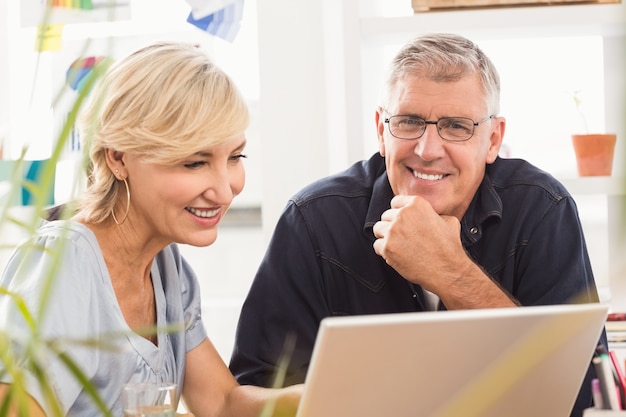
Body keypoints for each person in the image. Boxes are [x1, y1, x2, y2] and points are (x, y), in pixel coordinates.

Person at [228, 33, 606, 417]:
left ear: (493, 139)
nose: (427, 150)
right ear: (380, 129)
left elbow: (584, 396)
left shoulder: (542, 209)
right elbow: (249, 395)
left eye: (456, 126)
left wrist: (450, 271)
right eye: (409, 122)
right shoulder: (312, 220)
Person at [0, 42, 301, 417]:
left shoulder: (167, 265)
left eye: (235, 157)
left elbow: (221, 402)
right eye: (194, 163)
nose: (225, 190)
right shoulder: (64, 263)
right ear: (118, 157)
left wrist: (320, 394)